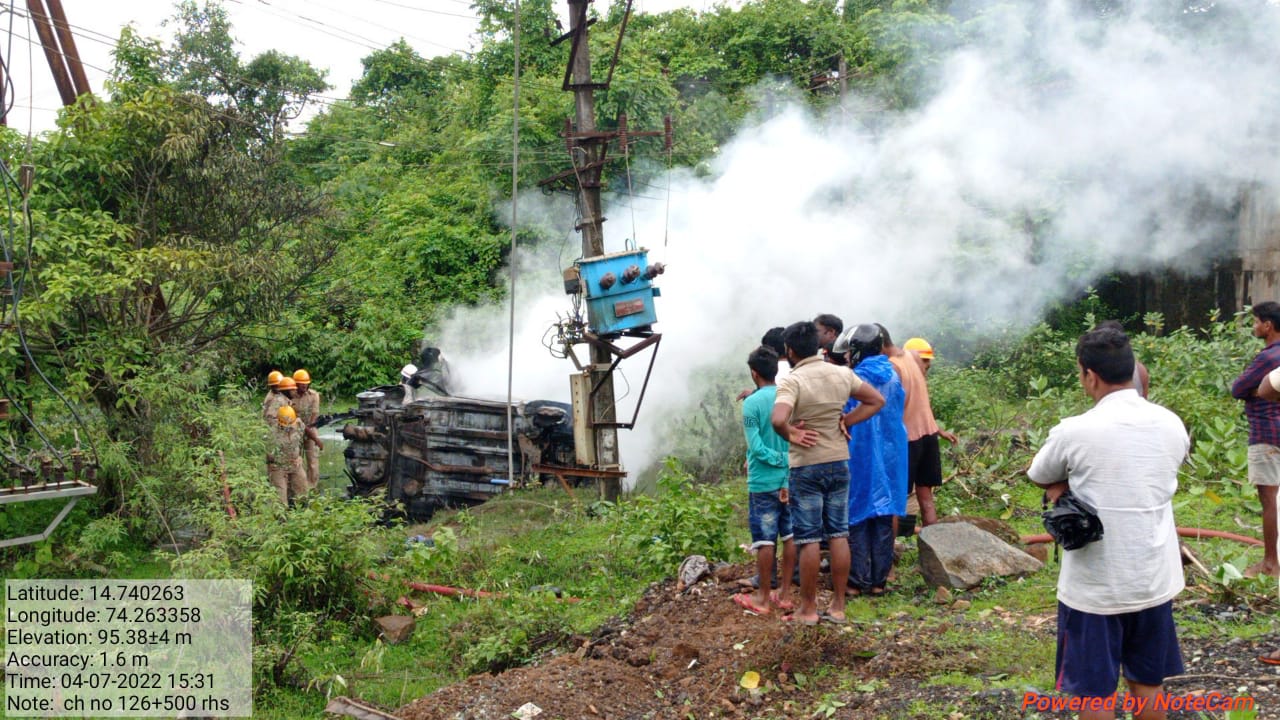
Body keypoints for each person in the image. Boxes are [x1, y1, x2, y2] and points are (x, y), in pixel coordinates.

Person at [1028, 326, 1188, 720]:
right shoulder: (1171, 423)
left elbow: (1039, 473)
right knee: (1148, 685)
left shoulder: (1075, 431)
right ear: (1132, 369)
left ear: (1089, 375)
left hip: (1095, 588)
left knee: (1094, 694)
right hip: (1153, 578)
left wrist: (1063, 485)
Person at [770, 321, 884, 625]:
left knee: (808, 539)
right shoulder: (842, 373)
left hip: (806, 466)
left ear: (790, 351)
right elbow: (876, 401)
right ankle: (837, 606)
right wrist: (848, 421)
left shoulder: (792, 381)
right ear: (820, 348)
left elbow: (778, 419)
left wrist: (792, 434)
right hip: (838, 461)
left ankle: (807, 609)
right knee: (838, 534)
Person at [836, 325, 907, 597]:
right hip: (891, 455)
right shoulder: (894, 375)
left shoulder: (853, 379)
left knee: (856, 515)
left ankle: (856, 581)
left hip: (859, 454)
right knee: (883, 514)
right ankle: (879, 582)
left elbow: (843, 416)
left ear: (856, 351)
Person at [733, 346, 796, 615]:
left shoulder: (751, 404)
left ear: (754, 373)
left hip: (763, 481)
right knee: (791, 535)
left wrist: (777, 459)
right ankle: (785, 593)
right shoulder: (788, 397)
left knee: (765, 540)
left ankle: (761, 599)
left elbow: (756, 448)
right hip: (791, 478)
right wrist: (788, 459)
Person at [881, 328, 955, 526]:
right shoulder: (912, 363)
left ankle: (888, 552)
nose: (927, 365)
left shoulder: (893, 367)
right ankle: (936, 548)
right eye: (925, 360)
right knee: (925, 497)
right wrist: (938, 430)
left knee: (896, 499)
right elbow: (919, 407)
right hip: (927, 437)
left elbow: (896, 410)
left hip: (908, 440)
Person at [1230, 301, 1280, 578]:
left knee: (1269, 500)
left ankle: (1271, 563)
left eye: (1256, 322)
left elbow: (1238, 388)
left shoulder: (1269, 358)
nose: (1254, 327)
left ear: (1268, 325)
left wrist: (1254, 392)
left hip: (1267, 434)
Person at [267, 405, 307, 506]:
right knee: (280, 498)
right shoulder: (272, 433)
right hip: (278, 466)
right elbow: (269, 455)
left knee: (302, 490)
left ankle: (301, 514)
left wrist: (299, 457)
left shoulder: (299, 424)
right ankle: (281, 519)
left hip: (295, 463)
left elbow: (301, 440)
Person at [292, 369, 324, 491]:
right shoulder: (290, 396)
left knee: (313, 460)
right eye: (301, 383)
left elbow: (314, 416)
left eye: (306, 383)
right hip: (295, 430)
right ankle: (298, 486)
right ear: (295, 384)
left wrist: (311, 434)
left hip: (310, 427)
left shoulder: (313, 395)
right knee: (296, 459)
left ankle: (312, 487)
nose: (304, 385)